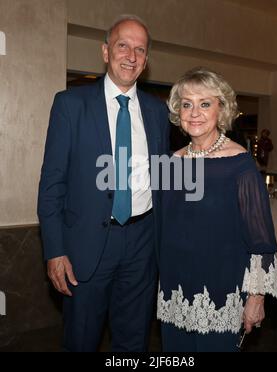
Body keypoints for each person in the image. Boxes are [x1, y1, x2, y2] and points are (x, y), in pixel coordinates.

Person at [38, 15, 170, 352]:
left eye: (140, 50)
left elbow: (164, 179)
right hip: (87, 245)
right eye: (123, 45)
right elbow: (52, 184)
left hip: (143, 245)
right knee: (80, 340)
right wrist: (55, 250)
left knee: (134, 342)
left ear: (146, 61)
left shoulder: (158, 113)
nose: (131, 55)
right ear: (105, 52)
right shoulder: (70, 105)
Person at [157, 67, 277, 352]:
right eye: (187, 104)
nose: (194, 112)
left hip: (219, 294)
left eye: (205, 103)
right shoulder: (171, 162)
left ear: (221, 109)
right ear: (178, 111)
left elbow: (260, 240)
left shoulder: (240, 164)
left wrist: (256, 298)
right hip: (174, 292)